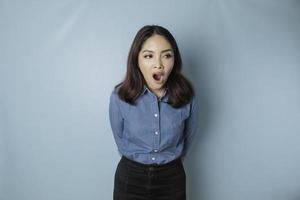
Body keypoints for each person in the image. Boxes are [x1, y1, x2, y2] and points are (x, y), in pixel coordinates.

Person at [109, 24, 199, 200]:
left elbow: (189, 136)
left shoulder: (187, 96)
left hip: (172, 178)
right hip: (130, 176)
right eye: (149, 56)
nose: (159, 65)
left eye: (166, 56)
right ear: (137, 60)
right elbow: (119, 138)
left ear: (175, 59)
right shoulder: (119, 97)